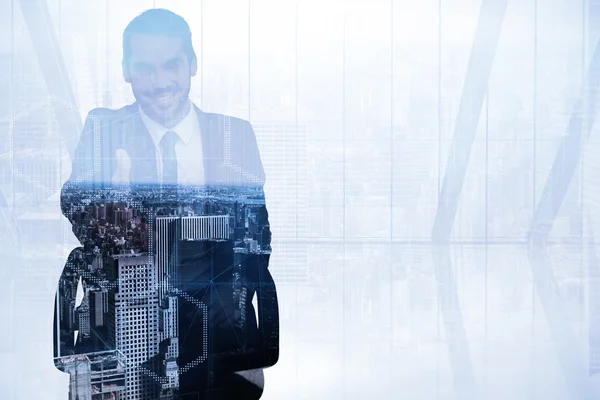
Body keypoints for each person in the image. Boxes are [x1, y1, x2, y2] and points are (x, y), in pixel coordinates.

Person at [53, 8, 279, 400]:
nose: (159, 83)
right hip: (127, 334)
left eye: (171, 65)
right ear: (125, 70)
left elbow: (256, 239)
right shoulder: (104, 130)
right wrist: (116, 216)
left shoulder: (233, 135)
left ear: (192, 64)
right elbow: (76, 202)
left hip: (217, 337)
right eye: (145, 68)